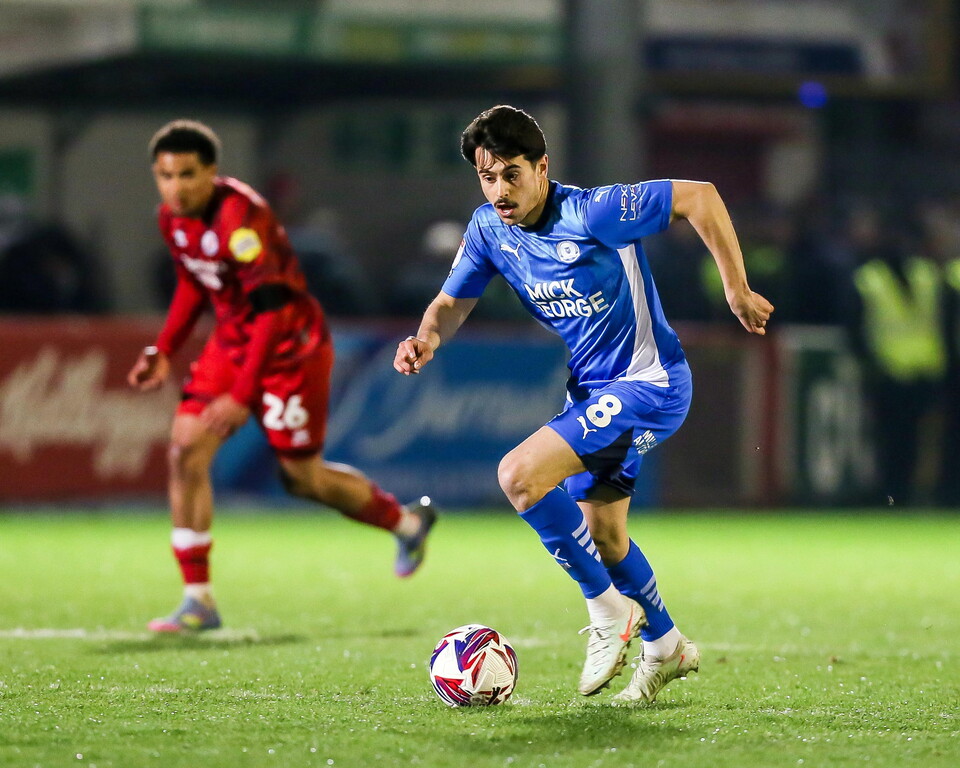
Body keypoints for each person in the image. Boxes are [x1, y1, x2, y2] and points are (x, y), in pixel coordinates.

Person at [394, 105, 773, 704]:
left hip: (649, 384)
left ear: (542, 168)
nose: (500, 190)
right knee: (606, 537)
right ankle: (666, 645)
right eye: (488, 177)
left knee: (519, 476)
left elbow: (699, 196)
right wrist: (426, 338)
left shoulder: (593, 212)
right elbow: (451, 302)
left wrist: (736, 288)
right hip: (596, 393)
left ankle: (607, 611)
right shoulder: (489, 230)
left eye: (512, 174)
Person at [128, 119, 435, 633]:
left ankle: (406, 523)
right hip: (233, 344)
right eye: (166, 176)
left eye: (187, 174)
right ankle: (198, 599)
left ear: (211, 172)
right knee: (184, 451)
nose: (175, 187)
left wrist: (242, 395)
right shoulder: (172, 219)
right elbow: (193, 282)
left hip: (290, 348)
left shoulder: (240, 219)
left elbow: (271, 312)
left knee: (302, 479)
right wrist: (164, 349)